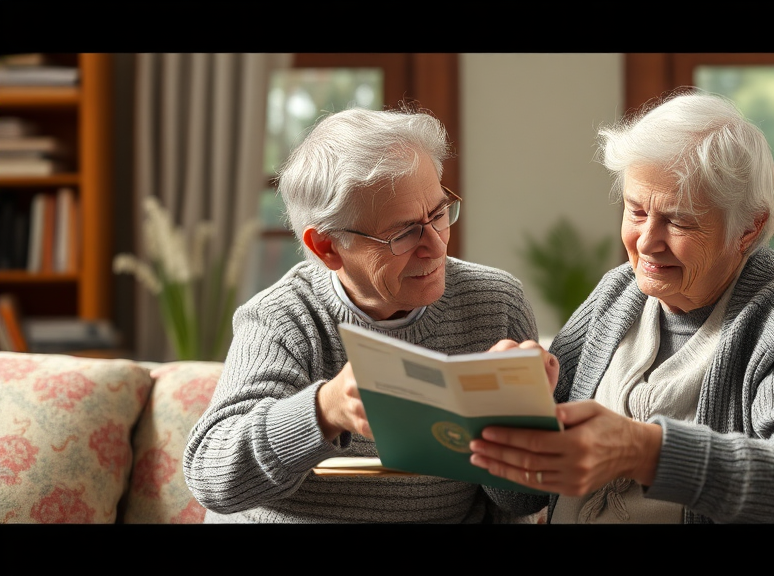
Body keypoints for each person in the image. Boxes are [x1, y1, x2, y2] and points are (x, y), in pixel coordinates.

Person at [468, 90, 774, 524]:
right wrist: (512, 410)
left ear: (749, 228)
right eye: (636, 211)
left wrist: (644, 452)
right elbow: (518, 498)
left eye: (678, 220)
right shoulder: (617, 295)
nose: (647, 242)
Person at [182, 105, 551, 523]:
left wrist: (514, 421)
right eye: (404, 233)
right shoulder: (283, 318)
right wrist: (325, 410)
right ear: (327, 247)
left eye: (438, 214)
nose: (436, 246)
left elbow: (524, 502)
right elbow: (210, 475)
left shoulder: (495, 303)